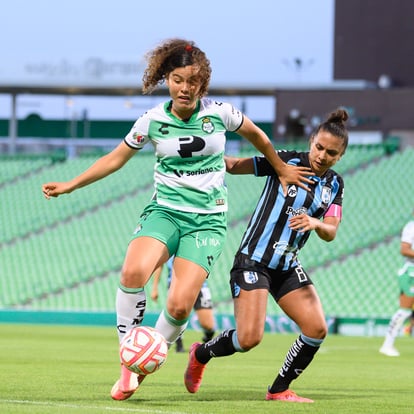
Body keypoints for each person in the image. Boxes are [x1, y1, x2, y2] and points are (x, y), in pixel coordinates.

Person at [41, 38, 313, 401]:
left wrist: (280, 168)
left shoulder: (221, 113)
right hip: (165, 212)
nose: (186, 88)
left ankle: (149, 357)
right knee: (132, 273)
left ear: (203, 85)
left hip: (207, 222)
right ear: (166, 79)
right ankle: (130, 361)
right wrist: (71, 185)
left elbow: (258, 137)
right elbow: (115, 158)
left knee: (180, 305)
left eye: (193, 82)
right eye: (178, 79)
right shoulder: (152, 120)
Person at [184, 108, 349, 403]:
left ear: (340, 156)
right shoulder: (284, 161)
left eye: (331, 153)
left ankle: (278, 390)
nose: (323, 156)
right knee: (249, 339)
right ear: (311, 141)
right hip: (253, 261)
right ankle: (200, 353)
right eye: (319, 147)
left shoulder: (335, 185)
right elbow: (234, 166)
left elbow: (331, 231)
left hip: (286, 266)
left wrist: (315, 222)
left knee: (316, 328)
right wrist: (197, 158)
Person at [151, 257, 216, 352]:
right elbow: (159, 265)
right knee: (177, 313)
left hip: (199, 285)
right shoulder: (170, 243)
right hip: (175, 284)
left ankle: (207, 341)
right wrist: (154, 288)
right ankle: (179, 345)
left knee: (208, 325)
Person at [380, 213, 414, 356]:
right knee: (405, 310)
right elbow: (404, 249)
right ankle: (387, 345)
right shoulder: (411, 227)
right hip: (411, 272)